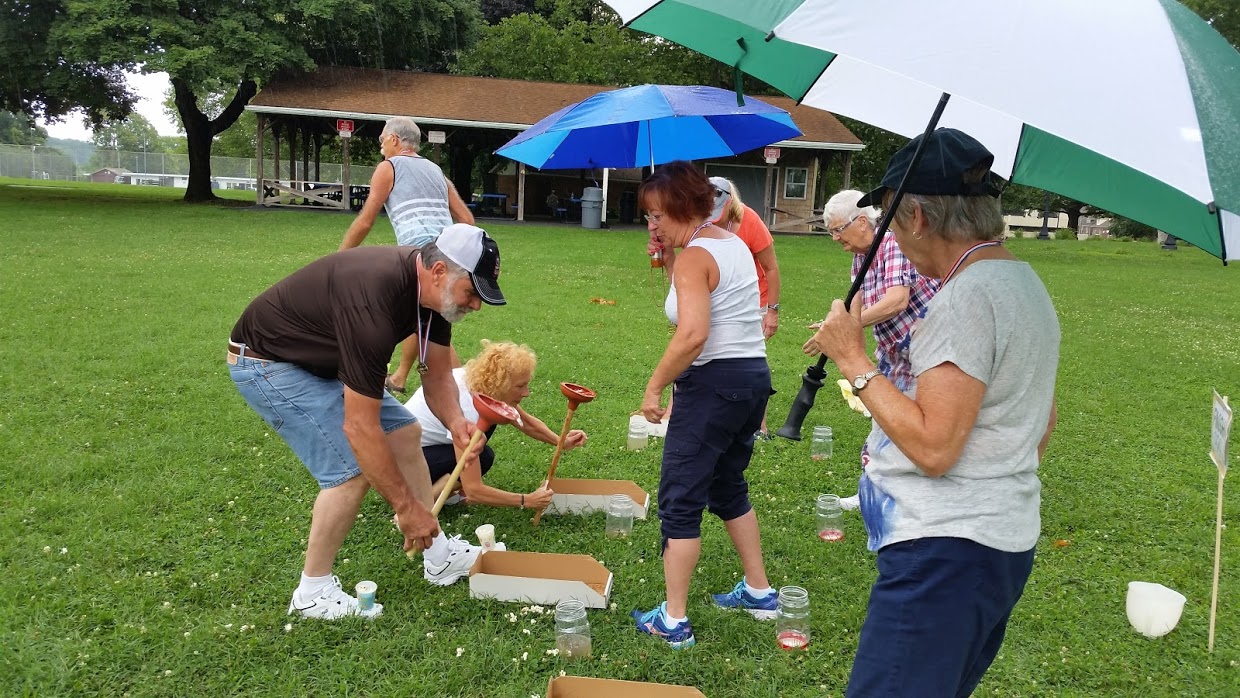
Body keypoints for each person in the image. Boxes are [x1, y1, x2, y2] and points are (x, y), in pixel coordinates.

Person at [806, 128, 1059, 697]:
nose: (893, 234)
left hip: (945, 554)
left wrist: (851, 356)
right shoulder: (1023, 283)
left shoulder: (964, 299)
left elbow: (935, 449)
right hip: (998, 541)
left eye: (893, 221)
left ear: (916, 216)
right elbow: (1043, 423)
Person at [228, 224, 507, 619]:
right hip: (268, 364)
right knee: (350, 470)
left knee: (405, 431)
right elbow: (360, 428)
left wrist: (456, 421)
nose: (475, 306)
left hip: (318, 362)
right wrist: (405, 506)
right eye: (471, 293)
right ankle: (312, 592)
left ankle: (439, 557)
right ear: (440, 270)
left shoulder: (434, 298)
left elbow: (439, 375)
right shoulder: (373, 300)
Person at [633, 161, 777, 650]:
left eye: (656, 215)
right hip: (751, 380)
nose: (651, 224)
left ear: (680, 206)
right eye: (648, 217)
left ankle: (673, 621)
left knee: (680, 498)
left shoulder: (697, 256)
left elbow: (693, 333)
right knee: (727, 484)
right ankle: (760, 592)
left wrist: (654, 386)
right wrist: (666, 256)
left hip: (713, 386)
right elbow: (698, 296)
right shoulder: (727, 242)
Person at [806, 189, 939, 508]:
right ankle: (873, 493)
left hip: (926, 351)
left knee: (914, 429)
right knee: (883, 421)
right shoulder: (860, 257)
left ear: (862, 221)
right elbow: (857, 307)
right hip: (895, 352)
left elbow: (896, 300)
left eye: (838, 229)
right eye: (831, 232)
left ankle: (915, 498)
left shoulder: (892, 243)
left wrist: (844, 328)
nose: (835, 238)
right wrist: (837, 330)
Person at [337, 116, 476, 394]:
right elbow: (467, 220)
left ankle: (465, 393)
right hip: (447, 255)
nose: (380, 147)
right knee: (421, 319)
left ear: (394, 140)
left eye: (382, 141)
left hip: (421, 258)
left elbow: (366, 220)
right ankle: (400, 377)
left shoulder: (388, 167)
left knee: (429, 329)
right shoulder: (437, 171)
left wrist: (339, 259)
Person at [407, 340, 586, 508]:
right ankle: (420, 505)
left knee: (482, 453)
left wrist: (561, 442)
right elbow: (474, 490)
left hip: (416, 450)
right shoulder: (467, 411)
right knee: (483, 457)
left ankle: (442, 489)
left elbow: (524, 422)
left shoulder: (480, 384)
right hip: (403, 465)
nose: (526, 393)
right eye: (520, 386)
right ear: (500, 384)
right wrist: (526, 500)